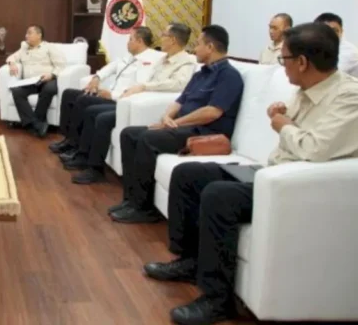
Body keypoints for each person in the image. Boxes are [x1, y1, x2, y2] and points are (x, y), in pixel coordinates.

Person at [144, 22, 358, 325]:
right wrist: (282, 113)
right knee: (188, 175)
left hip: (296, 188)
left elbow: (314, 148)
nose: (281, 65)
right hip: (272, 175)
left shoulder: (349, 98)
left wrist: (284, 124)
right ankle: (189, 260)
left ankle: (217, 299)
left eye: (284, 58)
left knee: (219, 196)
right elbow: (297, 126)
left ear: (302, 62)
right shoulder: (307, 89)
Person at [110, 24, 244, 224]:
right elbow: (180, 100)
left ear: (210, 47)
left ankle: (143, 208)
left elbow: (212, 112)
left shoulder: (229, 76)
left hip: (204, 132)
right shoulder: (200, 74)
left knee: (148, 139)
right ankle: (130, 200)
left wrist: (176, 122)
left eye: (198, 44)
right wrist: (166, 117)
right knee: (129, 134)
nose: (194, 49)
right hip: (181, 127)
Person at [68, 23, 196, 184]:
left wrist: (144, 87)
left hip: (149, 107)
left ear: (173, 40)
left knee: (102, 118)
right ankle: (84, 156)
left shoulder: (187, 61)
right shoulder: (162, 58)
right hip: (135, 101)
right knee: (92, 111)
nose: (160, 38)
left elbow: (178, 84)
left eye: (164, 35)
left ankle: (95, 169)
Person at [50, 26, 162, 159]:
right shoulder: (129, 55)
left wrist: (112, 95)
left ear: (140, 41)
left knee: (83, 100)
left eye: (130, 39)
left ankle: (74, 144)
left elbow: (138, 87)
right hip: (109, 95)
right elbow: (111, 67)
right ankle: (68, 138)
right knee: (69, 94)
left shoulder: (150, 60)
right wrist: (97, 78)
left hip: (118, 100)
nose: (127, 42)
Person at [6, 25, 67, 138]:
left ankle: (34, 124)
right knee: (16, 91)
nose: (26, 36)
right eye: (26, 33)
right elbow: (11, 57)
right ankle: (38, 125)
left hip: (47, 80)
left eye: (29, 33)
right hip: (30, 82)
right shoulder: (24, 48)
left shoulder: (49, 47)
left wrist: (51, 75)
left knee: (49, 89)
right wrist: (12, 63)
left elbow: (61, 65)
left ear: (39, 35)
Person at [314, 12, 358, 77]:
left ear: (341, 31)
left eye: (334, 30)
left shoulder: (349, 52)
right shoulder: (314, 45)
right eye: (325, 30)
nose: (330, 34)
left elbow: (328, 75)